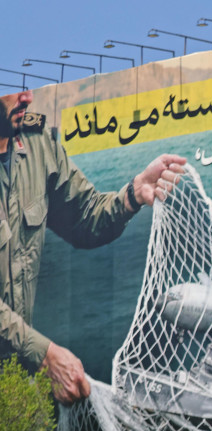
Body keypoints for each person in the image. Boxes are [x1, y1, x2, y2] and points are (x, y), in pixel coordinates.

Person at [0, 89, 186, 403]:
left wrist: (132, 194)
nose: (27, 98)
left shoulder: (37, 144)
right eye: (14, 88)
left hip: (15, 386)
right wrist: (46, 355)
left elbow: (84, 217)